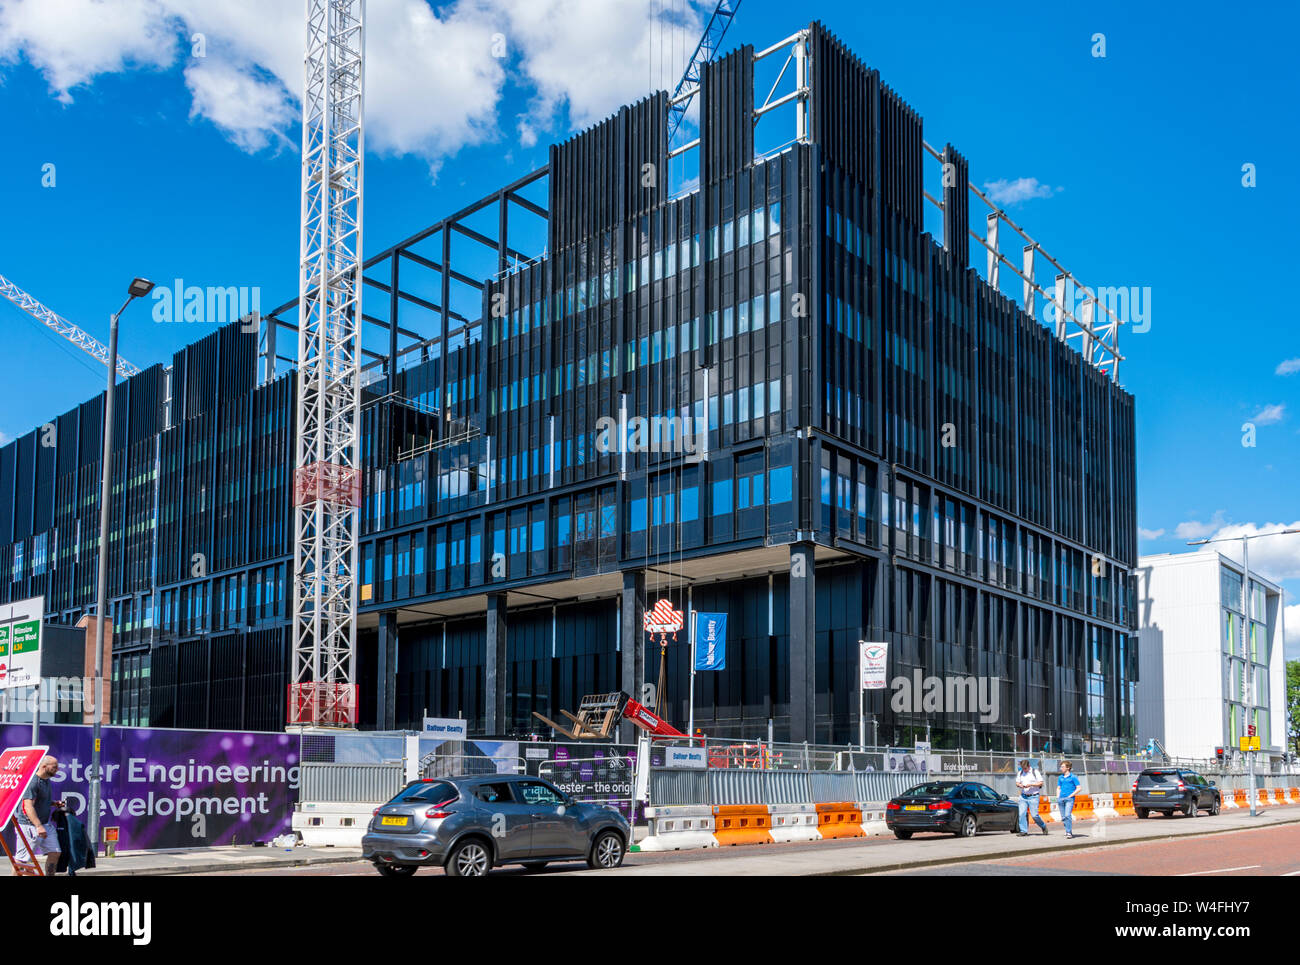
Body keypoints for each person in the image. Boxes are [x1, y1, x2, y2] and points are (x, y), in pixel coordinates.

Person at [15, 755, 64, 875]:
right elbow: (28, 806)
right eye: (55, 767)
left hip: (44, 824)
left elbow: (40, 800)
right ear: (44, 766)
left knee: (55, 852)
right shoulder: (32, 782)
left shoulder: (46, 780)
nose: (57, 769)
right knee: (22, 860)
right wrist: (38, 826)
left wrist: (54, 803)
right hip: (29, 825)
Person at [1015, 759, 1047, 836]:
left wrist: (1031, 785)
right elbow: (1017, 783)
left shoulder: (1035, 772)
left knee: (1034, 815)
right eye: (1023, 768)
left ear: (1029, 766)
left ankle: (1043, 826)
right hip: (1023, 796)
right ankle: (1023, 831)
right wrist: (1020, 785)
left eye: (1025, 768)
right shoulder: (1020, 773)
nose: (1024, 770)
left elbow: (1041, 783)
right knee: (1021, 814)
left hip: (1033, 796)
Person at [1057, 760, 1081, 838]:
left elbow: (1079, 788)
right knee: (1063, 817)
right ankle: (1067, 830)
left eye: (1063, 767)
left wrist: (1071, 796)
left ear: (1068, 768)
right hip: (1061, 799)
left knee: (1067, 815)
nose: (1061, 768)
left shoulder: (1073, 777)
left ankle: (1068, 832)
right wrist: (1058, 797)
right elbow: (1058, 788)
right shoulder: (1060, 777)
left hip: (1069, 799)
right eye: (1061, 767)